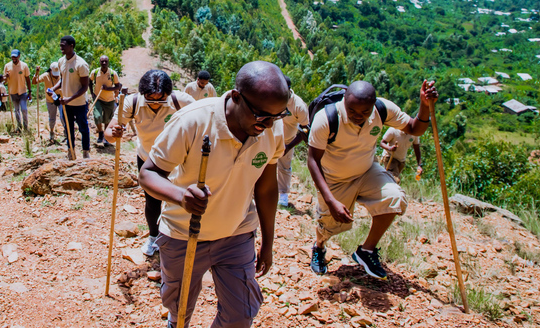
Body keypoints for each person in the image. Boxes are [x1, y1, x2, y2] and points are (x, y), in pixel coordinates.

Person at [140, 61, 289, 328]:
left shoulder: (271, 128)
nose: (268, 124)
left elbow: (266, 188)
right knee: (180, 308)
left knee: (241, 314)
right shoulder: (193, 120)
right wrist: (181, 196)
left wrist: (268, 241)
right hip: (184, 234)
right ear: (235, 97)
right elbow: (148, 174)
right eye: (262, 115)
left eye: (277, 116)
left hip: (236, 234)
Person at [307, 80, 437, 279]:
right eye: (352, 111)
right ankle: (319, 246)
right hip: (334, 179)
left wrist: (424, 105)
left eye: (364, 112)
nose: (358, 116)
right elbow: (313, 161)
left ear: (373, 105)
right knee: (330, 225)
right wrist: (331, 201)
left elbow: (414, 128)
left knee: (395, 198)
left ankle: (366, 252)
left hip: (367, 171)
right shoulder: (326, 118)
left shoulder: (382, 110)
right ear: (344, 101)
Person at [104, 70, 194, 256]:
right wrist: (114, 134)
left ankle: (180, 238)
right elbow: (109, 134)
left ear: (168, 94)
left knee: (180, 200)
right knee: (152, 201)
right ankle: (154, 237)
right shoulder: (132, 103)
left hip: (178, 162)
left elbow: (202, 120)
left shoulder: (181, 101)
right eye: (150, 98)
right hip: (148, 159)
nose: (155, 103)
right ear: (142, 93)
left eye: (160, 99)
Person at [55, 35, 91, 159]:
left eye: (63, 45)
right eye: (60, 45)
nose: (61, 48)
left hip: (79, 103)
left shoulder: (81, 64)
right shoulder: (61, 61)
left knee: (83, 128)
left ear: (71, 46)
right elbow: (62, 80)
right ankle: (71, 151)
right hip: (66, 103)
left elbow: (85, 87)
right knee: (68, 128)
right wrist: (53, 89)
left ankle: (86, 152)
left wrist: (69, 98)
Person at [277, 76, 310, 207]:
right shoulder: (274, 97)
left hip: (287, 140)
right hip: (270, 139)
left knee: (284, 167)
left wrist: (288, 146)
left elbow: (305, 131)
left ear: (288, 89)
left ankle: (283, 194)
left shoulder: (299, 106)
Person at [90, 55, 121, 146]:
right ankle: (100, 133)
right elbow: (89, 81)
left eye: (105, 61)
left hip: (109, 100)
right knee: (97, 116)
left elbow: (118, 86)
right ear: (99, 62)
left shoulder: (112, 73)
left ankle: (106, 138)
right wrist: (92, 93)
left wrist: (108, 89)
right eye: (102, 61)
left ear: (108, 62)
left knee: (107, 120)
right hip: (98, 98)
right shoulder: (95, 72)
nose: (104, 63)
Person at [3, 49, 32, 132]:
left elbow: (27, 78)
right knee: (16, 110)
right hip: (13, 91)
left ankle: (26, 127)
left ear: (19, 56)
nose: (14, 58)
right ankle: (19, 127)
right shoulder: (7, 66)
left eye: (15, 56)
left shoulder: (24, 66)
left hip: (22, 91)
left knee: (24, 109)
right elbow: (4, 81)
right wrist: (6, 76)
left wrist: (30, 92)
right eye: (12, 56)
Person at [33, 62, 61, 141]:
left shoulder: (62, 74)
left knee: (63, 117)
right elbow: (34, 82)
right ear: (51, 71)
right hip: (50, 100)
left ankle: (66, 132)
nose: (56, 76)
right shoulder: (46, 76)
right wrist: (36, 73)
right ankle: (52, 132)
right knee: (52, 118)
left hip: (61, 99)